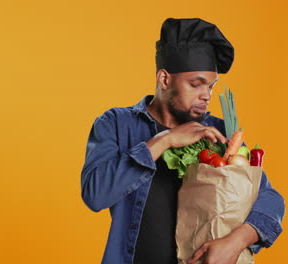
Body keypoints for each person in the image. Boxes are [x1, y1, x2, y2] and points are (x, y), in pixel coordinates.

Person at [80, 18, 285, 264]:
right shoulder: (116, 123)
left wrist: (236, 242)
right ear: (164, 79)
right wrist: (163, 140)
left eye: (211, 86)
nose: (207, 95)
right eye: (196, 84)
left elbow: (272, 200)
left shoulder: (219, 132)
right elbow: (95, 195)